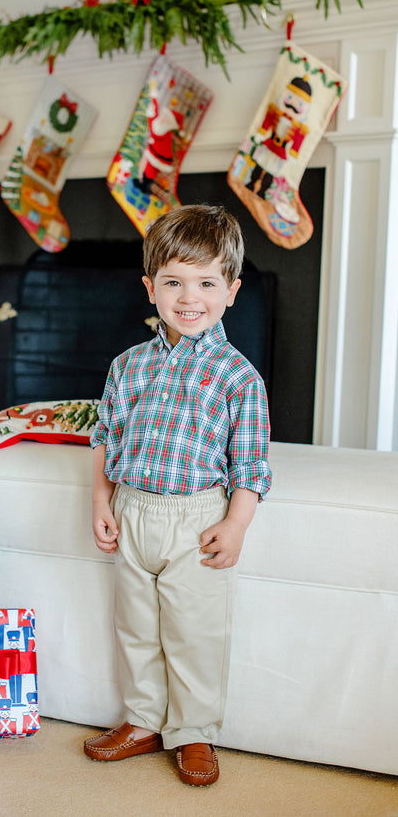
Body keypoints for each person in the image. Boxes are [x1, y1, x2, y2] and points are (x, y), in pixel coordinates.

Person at [84, 204, 271, 786]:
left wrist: (235, 525)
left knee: (194, 633)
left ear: (232, 290)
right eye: (173, 282)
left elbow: (252, 466)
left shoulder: (240, 378)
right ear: (150, 288)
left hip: (196, 518)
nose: (189, 297)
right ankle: (142, 720)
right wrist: (100, 500)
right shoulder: (127, 367)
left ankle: (193, 732)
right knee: (135, 627)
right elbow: (105, 437)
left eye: (206, 283)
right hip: (133, 508)